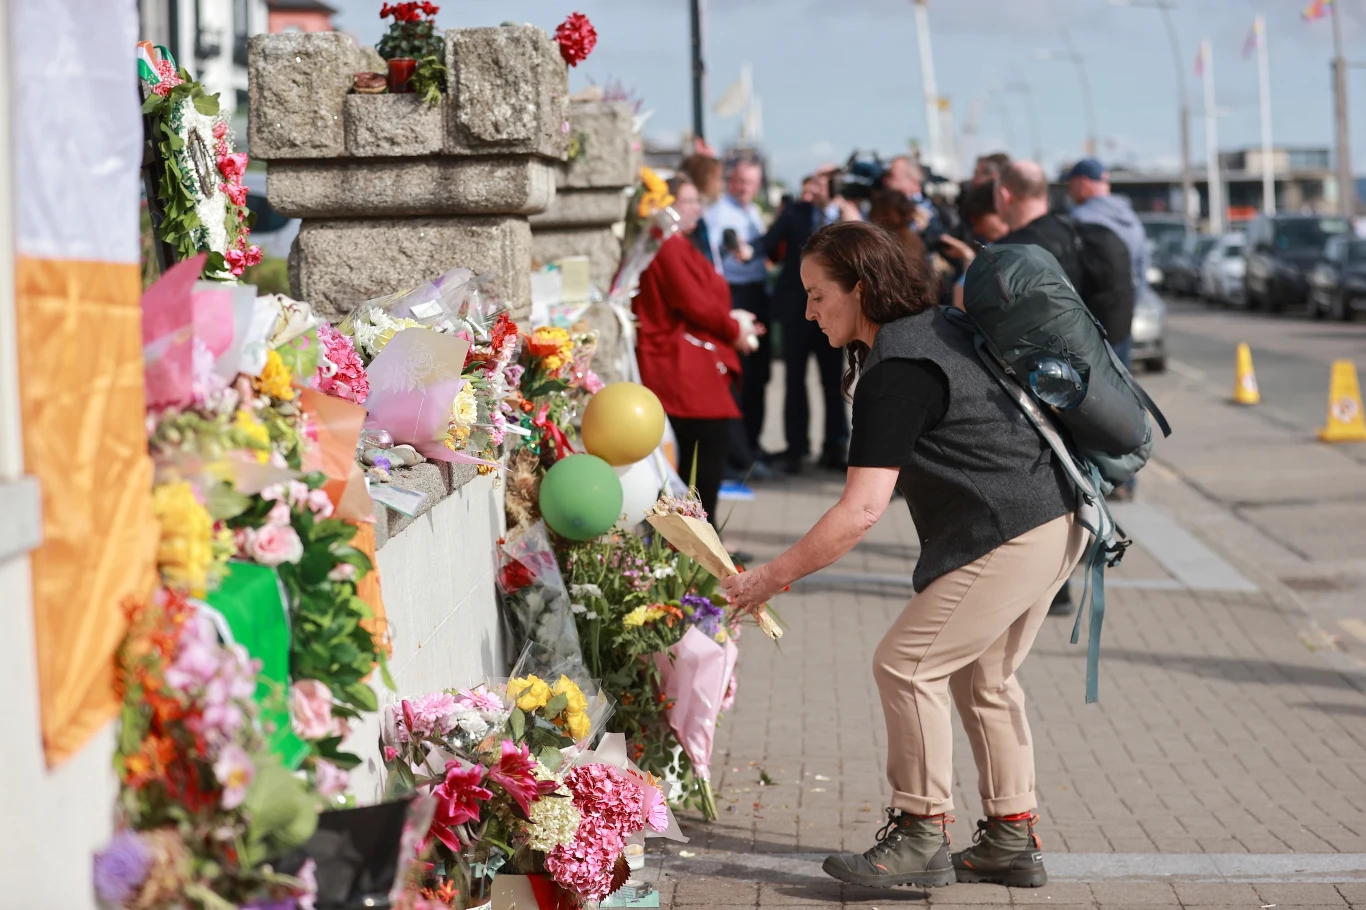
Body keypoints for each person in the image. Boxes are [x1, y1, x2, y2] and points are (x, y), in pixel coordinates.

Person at [722, 221, 1085, 890]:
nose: (807, 312)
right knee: (985, 679)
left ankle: (920, 832)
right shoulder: (935, 328)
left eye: (817, 295)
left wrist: (766, 578)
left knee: (906, 664)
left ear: (860, 290)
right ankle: (1010, 839)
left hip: (1015, 529)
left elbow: (861, 510)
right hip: (1058, 516)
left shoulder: (899, 369)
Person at [634, 174, 759, 520]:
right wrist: (734, 328)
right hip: (676, 359)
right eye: (688, 202)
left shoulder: (676, 242)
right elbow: (694, 302)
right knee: (703, 451)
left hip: (686, 353)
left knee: (703, 455)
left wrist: (733, 321)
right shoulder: (669, 244)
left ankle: (703, 536)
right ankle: (700, 538)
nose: (695, 210)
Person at [751, 173, 850, 473]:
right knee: (794, 382)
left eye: (820, 185)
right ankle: (796, 448)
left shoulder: (843, 216)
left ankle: (835, 447)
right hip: (797, 311)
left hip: (833, 312)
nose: (814, 191)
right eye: (810, 186)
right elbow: (768, 243)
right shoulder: (795, 212)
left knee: (833, 382)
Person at [703, 159, 772, 473]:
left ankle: (752, 446)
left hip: (758, 293)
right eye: (740, 181)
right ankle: (738, 455)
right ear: (731, 180)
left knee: (759, 377)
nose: (745, 188)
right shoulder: (719, 213)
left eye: (751, 183)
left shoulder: (753, 211)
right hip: (736, 293)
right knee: (741, 375)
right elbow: (717, 259)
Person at [1066, 158, 1148, 365]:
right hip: (1123, 318)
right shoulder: (1131, 218)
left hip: (1092, 326)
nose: (1069, 191)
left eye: (1071, 184)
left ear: (1082, 183)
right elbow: (1141, 271)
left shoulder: (1080, 218)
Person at [680, 154, 724, 266]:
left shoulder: (705, 214)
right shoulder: (690, 224)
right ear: (704, 179)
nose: (721, 185)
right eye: (718, 179)